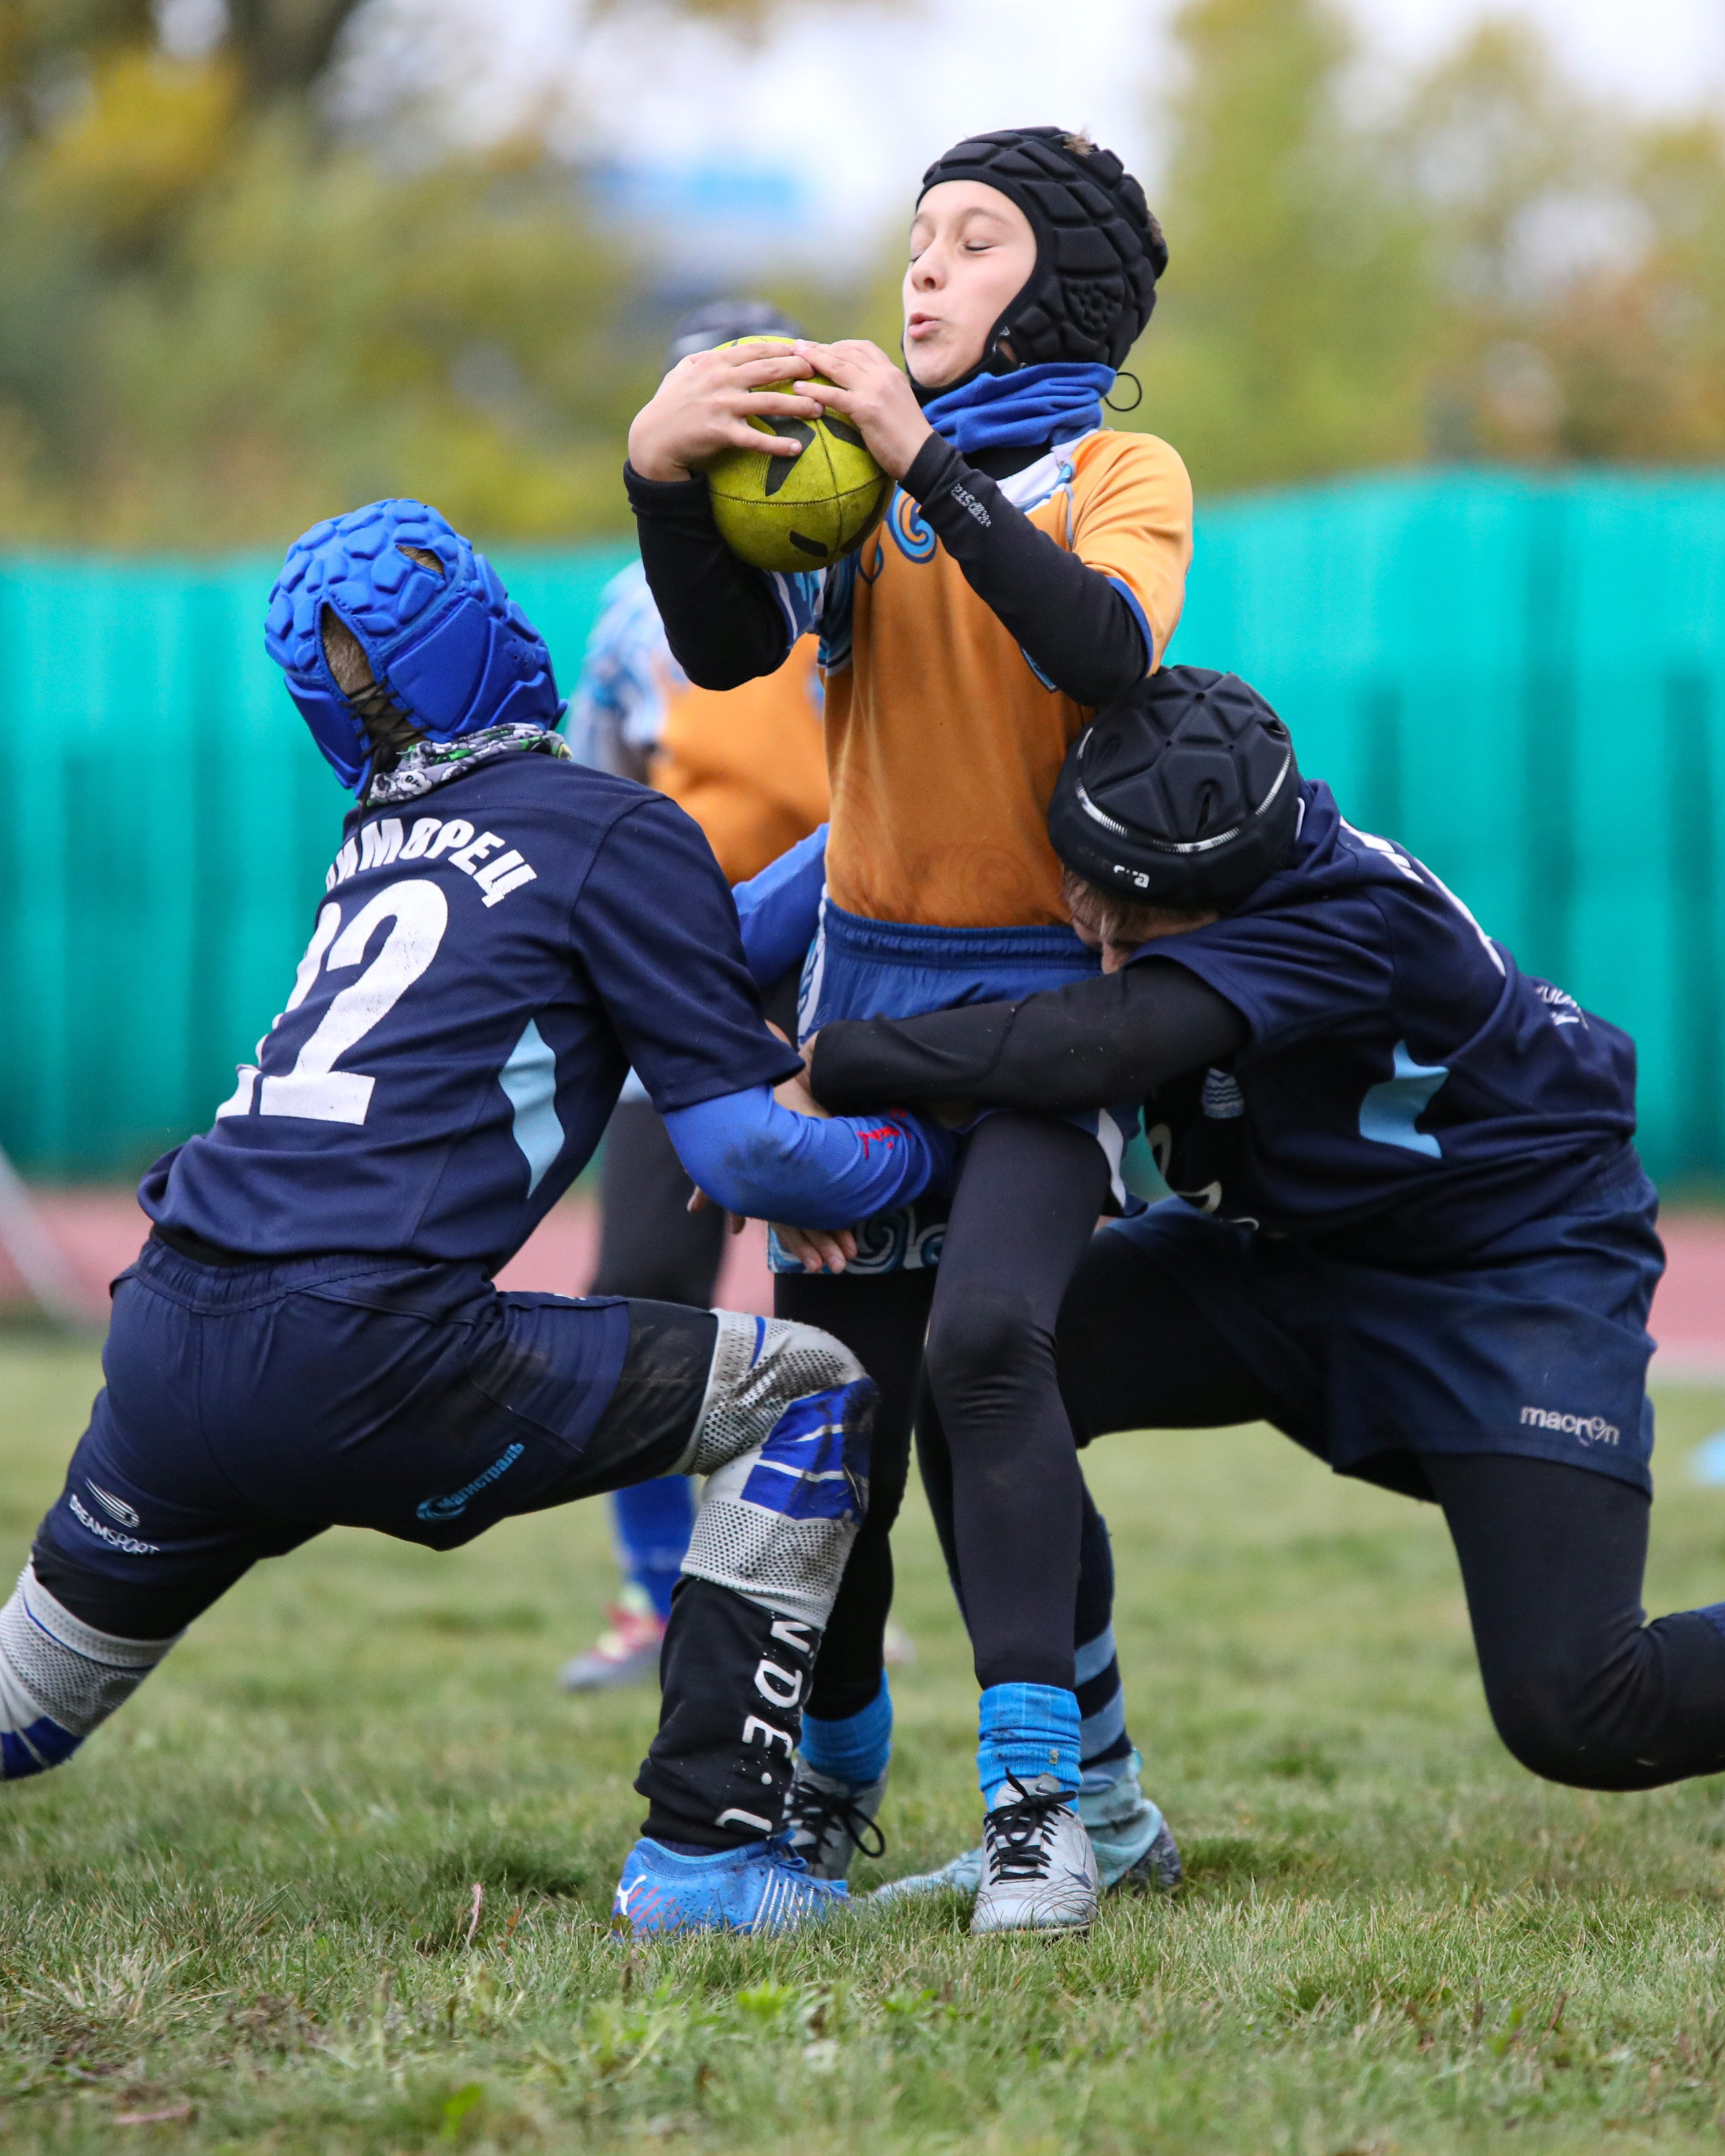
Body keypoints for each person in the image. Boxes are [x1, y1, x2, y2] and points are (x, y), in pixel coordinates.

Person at [0, 498, 958, 1940]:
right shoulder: (597, 824)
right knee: (805, 1394)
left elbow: (681, 933)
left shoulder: (380, 840)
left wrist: (866, 825)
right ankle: (715, 1857)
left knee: (22, 1708)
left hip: (172, 1337)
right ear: (492, 634)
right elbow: (751, 1148)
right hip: (370, 1350)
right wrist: (929, 1158)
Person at [805, 666, 1725, 1842]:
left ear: (1224, 895)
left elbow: (1098, 1045)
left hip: (1507, 1268)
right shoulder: (1182, 840)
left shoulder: (1342, 915)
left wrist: (831, 1061)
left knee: (1582, 1707)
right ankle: (1098, 1810)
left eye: (1124, 900)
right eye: (1079, 859)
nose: (1083, 905)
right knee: (984, 1360)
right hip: (1290, 1254)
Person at [625, 126, 1195, 1932]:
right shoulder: (846, 492)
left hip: (1054, 1022)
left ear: (1068, 286)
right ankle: (833, 1785)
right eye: (918, 241)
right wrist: (659, 479)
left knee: (994, 1354)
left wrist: (926, 460)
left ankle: (1045, 1806)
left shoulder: (1122, 467)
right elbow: (723, 662)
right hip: (862, 1024)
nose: (924, 273)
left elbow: (1098, 654)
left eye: (977, 241)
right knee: (840, 1416)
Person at [559, 297, 832, 1694]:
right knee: (642, 1292)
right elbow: (598, 801)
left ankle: (827, 1594)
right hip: (681, 971)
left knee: (849, 1285)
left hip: (856, 965)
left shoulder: (867, 569)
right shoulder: (627, 615)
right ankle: (652, 1596)